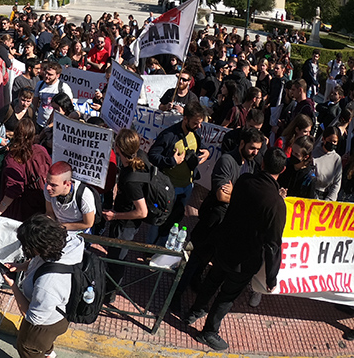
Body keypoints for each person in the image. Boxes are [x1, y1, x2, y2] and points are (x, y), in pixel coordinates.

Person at [184, 148, 287, 351]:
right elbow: (273, 244)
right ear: (282, 170)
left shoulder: (244, 180)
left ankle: (195, 310)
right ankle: (209, 332)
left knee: (212, 280)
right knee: (227, 295)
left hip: (224, 245)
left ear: (263, 163)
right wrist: (271, 278)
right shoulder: (276, 204)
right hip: (245, 259)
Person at [176, 128, 262, 300]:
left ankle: (194, 282)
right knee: (195, 258)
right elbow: (222, 195)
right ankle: (176, 295)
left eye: (258, 149)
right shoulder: (227, 161)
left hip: (227, 224)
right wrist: (242, 197)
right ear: (242, 143)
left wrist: (235, 192)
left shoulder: (251, 164)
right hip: (212, 219)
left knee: (206, 258)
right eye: (252, 148)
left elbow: (252, 193)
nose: (255, 152)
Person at [0, 214, 83, 358]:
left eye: (28, 246)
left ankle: (41, 352)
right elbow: (41, 263)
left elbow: (32, 317)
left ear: (40, 247)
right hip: (60, 313)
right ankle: (47, 353)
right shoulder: (67, 243)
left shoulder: (48, 284)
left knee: (27, 347)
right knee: (44, 345)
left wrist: (13, 285)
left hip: (47, 324)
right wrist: (20, 267)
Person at [147, 100, 210, 245]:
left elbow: (200, 145)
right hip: (169, 187)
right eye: (195, 123)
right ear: (185, 118)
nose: (199, 126)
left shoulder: (195, 132)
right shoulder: (168, 136)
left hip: (187, 186)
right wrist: (172, 161)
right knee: (160, 218)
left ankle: (163, 245)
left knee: (175, 217)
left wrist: (206, 151)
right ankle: (149, 247)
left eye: (200, 123)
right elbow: (152, 155)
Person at [102, 128, 150, 303]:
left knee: (117, 259)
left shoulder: (131, 180)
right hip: (125, 220)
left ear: (118, 148)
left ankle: (110, 292)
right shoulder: (140, 156)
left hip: (125, 224)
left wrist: (115, 216)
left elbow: (142, 212)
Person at [0, 117, 49, 222]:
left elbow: (13, 189)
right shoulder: (41, 150)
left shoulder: (13, 158)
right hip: (41, 205)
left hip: (19, 210)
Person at [41, 161, 96, 234]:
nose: (48, 187)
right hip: (57, 229)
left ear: (67, 184)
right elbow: (50, 212)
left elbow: (88, 223)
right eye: (47, 182)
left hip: (79, 232)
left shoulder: (84, 196)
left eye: (53, 185)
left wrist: (60, 226)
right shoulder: (49, 189)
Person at [34, 62, 73, 128]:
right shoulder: (39, 84)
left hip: (56, 125)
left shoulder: (64, 87)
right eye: (46, 73)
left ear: (58, 75)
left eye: (50, 74)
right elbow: (34, 103)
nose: (46, 76)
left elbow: (70, 107)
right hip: (40, 123)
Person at [311, 126, 342, 201]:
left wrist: (329, 200)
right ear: (323, 139)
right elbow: (310, 176)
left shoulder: (337, 159)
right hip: (311, 194)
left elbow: (337, 183)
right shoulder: (313, 153)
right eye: (330, 140)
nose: (332, 143)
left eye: (334, 142)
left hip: (326, 196)